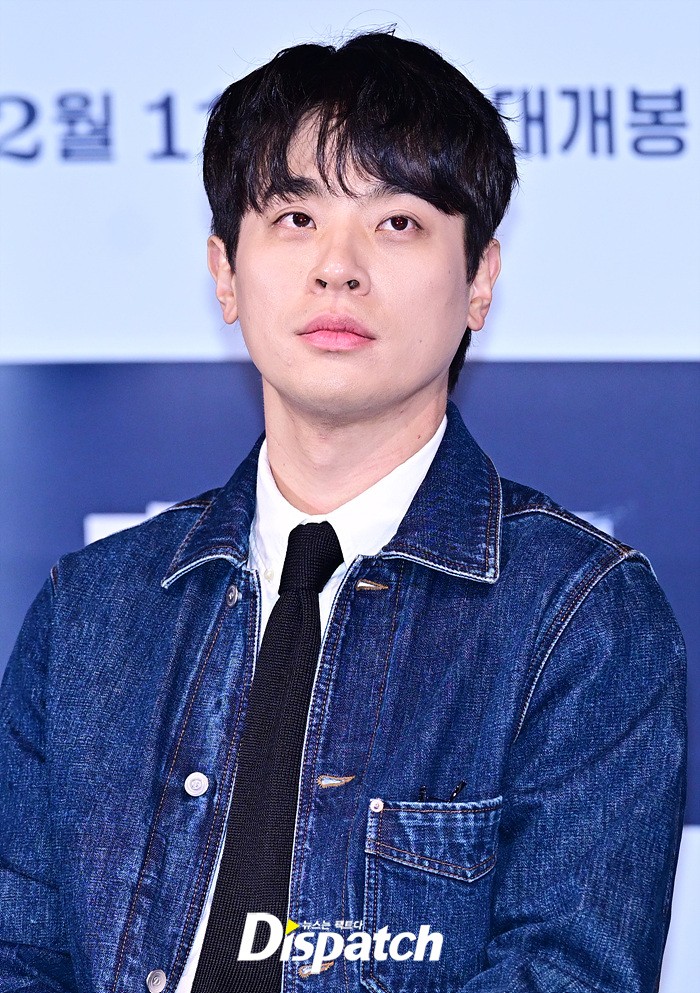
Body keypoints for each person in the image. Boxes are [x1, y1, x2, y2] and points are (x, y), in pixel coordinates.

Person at [0, 29, 686, 993]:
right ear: (225, 272)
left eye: (397, 222)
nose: (338, 267)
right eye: (294, 217)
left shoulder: (581, 618)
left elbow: (567, 975)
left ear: (480, 280)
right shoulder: (92, 607)